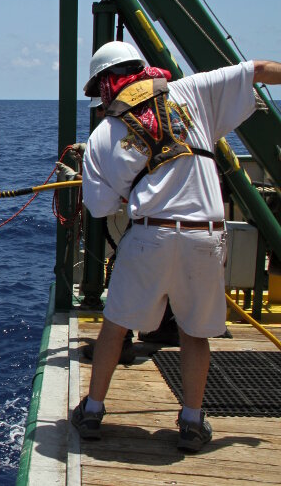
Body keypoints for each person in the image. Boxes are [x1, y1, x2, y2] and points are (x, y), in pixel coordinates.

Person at [71, 40, 281, 452]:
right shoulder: (192, 92)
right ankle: (191, 422)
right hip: (205, 235)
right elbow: (256, 69)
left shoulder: (102, 136)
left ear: (104, 87)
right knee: (194, 330)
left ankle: (93, 410)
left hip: (150, 235)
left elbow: (99, 208)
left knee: (115, 325)